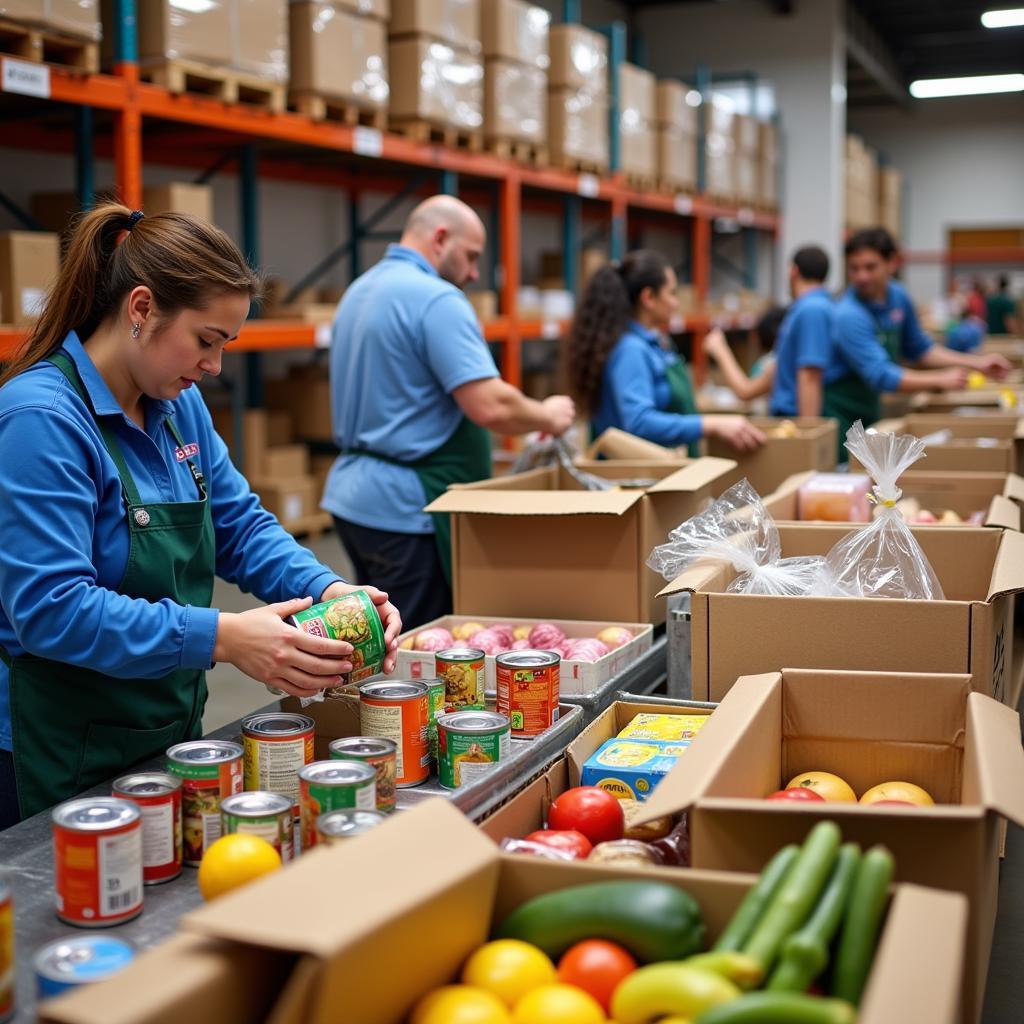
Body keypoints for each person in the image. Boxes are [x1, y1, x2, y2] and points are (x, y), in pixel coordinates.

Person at [0, 204, 402, 828]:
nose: (214, 366)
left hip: (162, 726)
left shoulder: (174, 407)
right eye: (205, 341)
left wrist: (329, 589)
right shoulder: (41, 422)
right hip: (51, 746)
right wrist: (224, 637)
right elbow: (51, 610)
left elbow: (240, 526)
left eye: (225, 344)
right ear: (141, 309)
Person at [323, 196, 575, 630]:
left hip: (353, 500)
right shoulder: (437, 299)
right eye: (471, 256)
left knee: (379, 643)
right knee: (420, 647)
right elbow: (490, 405)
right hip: (406, 510)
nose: (474, 273)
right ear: (441, 239)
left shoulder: (358, 291)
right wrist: (548, 415)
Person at [566, 249, 765, 457]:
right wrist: (709, 424)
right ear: (649, 297)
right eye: (671, 293)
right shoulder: (630, 350)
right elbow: (638, 422)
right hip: (631, 478)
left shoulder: (655, 344)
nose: (676, 302)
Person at [827, 228, 1011, 447]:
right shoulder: (849, 314)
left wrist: (977, 364)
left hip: (869, 408)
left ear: (892, 263)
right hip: (841, 412)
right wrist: (939, 379)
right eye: (854, 268)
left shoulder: (897, 296)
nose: (861, 276)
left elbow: (920, 348)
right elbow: (880, 374)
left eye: (870, 267)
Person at [703, 246, 836, 418]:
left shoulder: (811, 310)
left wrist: (808, 436)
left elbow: (810, 377)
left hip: (795, 420)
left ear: (793, 271)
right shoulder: (814, 309)